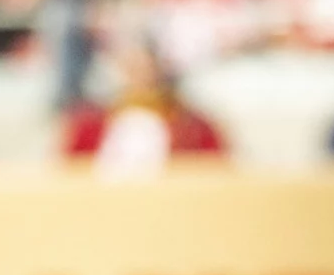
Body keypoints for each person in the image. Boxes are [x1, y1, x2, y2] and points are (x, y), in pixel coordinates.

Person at [63, 37, 227, 174]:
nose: (139, 76)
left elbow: (215, 172)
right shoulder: (89, 126)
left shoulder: (193, 127)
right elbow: (67, 173)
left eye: (145, 68)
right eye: (131, 68)